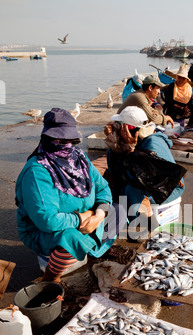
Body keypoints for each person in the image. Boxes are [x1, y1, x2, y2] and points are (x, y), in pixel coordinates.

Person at [15, 108, 127, 283]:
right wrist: (82, 218)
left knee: (119, 210)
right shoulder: (37, 171)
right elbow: (47, 220)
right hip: (45, 230)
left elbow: (103, 188)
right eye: (59, 140)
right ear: (48, 138)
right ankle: (50, 277)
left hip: (89, 219)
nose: (65, 146)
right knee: (70, 239)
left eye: (69, 141)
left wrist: (98, 215)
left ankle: (88, 249)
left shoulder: (79, 157)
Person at [104, 106, 185, 227]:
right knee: (110, 182)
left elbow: (148, 179)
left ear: (129, 129)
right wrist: (117, 151)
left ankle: (139, 223)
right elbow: (114, 171)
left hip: (166, 188)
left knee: (131, 190)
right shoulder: (126, 143)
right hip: (146, 182)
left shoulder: (153, 143)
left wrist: (131, 153)